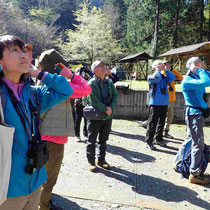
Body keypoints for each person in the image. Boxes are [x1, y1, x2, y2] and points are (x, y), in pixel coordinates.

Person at [0, 35, 73, 210]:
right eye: (15, 51)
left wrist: (35, 72)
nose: (23, 55)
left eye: (24, 51)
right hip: (9, 186)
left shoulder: (33, 93)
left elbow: (65, 90)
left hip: (35, 179)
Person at [38, 53, 92, 210]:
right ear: (59, 67)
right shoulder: (63, 87)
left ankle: (41, 202)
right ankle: (43, 206)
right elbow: (86, 88)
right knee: (49, 179)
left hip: (41, 136)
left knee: (39, 176)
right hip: (54, 140)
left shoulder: (40, 83)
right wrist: (72, 75)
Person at [176, 57, 210, 185]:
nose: (204, 64)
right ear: (195, 65)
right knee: (198, 143)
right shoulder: (188, 80)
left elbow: (208, 77)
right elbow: (207, 82)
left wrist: (200, 70)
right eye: (201, 62)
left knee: (190, 139)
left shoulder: (196, 77)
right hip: (194, 115)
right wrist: (198, 69)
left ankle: (178, 163)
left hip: (196, 114)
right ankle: (195, 174)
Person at [86, 60, 118, 172]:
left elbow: (115, 96)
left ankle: (101, 160)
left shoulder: (109, 82)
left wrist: (111, 108)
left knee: (103, 140)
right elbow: (92, 100)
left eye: (104, 65)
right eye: (101, 66)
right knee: (92, 140)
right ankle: (91, 162)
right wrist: (105, 109)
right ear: (95, 70)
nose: (104, 67)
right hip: (95, 116)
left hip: (107, 116)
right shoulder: (91, 83)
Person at [145, 60, 176, 150]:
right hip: (155, 103)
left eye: (161, 64)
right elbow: (157, 78)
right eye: (159, 64)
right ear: (154, 67)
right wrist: (158, 70)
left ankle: (159, 139)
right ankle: (149, 141)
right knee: (152, 123)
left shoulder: (164, 76)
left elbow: (173, 77)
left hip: (164, 103)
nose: (161, 65)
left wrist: (166, 70)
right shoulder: (151, 77)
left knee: (161, 122)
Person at [74, 66, 93, 141]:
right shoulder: (75, 80)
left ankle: (85, 134)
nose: (82, 74)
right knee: (78, 119)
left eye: (83, 72)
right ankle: (77, 134)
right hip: (78, 102)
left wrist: (87, 70)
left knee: (86, 119)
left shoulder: (87, 80)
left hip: (86, 102)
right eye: (81, 72)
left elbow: (93, 76)